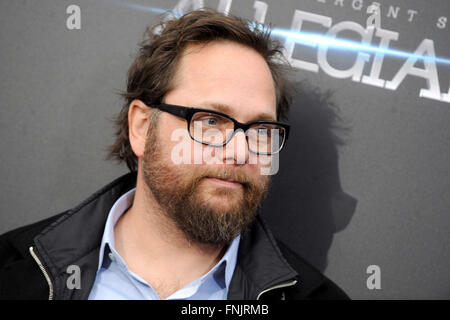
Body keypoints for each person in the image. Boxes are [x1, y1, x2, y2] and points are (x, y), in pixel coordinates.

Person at [0, 9, 348, 300]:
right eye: (211, 121)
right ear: (141, 126)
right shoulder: (13, 270)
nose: (240, 151)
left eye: (259, 130)